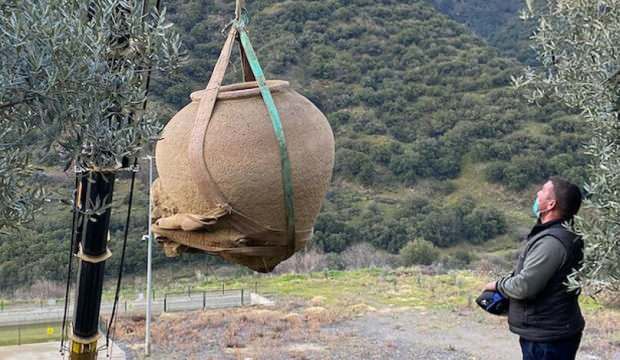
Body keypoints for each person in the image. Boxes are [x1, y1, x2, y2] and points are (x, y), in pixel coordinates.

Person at [483, 177, 585, 360]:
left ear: (551, 204)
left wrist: (498, 285)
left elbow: (525, 286)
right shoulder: (559, 235)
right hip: (550, 331)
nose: (537, 193)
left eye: (543, 191)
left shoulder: (552, 242)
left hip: (548, 338)